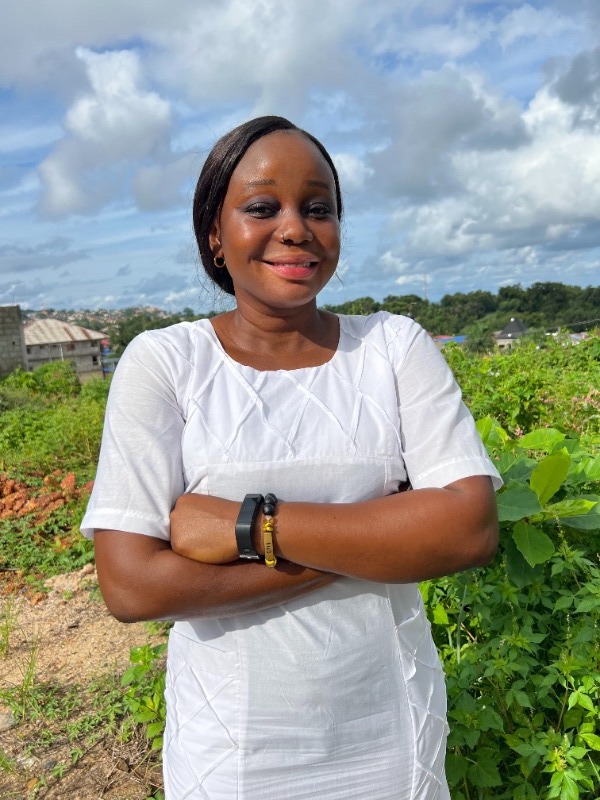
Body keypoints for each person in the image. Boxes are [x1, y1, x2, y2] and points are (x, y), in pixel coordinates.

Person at [82, 115, 501, 800]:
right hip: (234, 750)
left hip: (393, 733)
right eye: (261, 207)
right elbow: (132, 586)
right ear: (214, 235)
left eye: (318, 208)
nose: (296, 228)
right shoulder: (166, 363)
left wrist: (248, 528)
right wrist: (384, 530)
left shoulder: (394, 347)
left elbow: (470, 529)